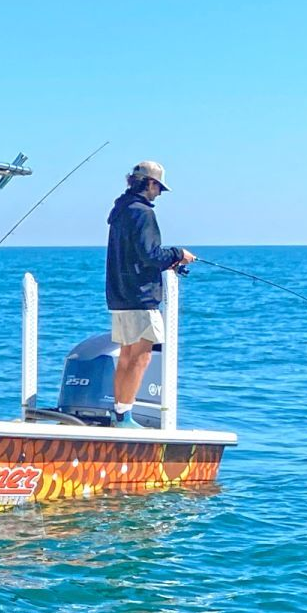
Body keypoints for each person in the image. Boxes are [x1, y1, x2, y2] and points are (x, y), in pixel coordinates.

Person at [106, 161, 195, 428]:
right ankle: (125, 417)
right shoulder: (143, 213)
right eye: (159, 187)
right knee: (142, 355)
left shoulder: (120, 211)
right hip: (141, 296)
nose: (159, 194)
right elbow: (150, 254)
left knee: (125, 354)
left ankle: (119, 413)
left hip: (119, 295)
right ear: (150, 183)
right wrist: (179, 255)